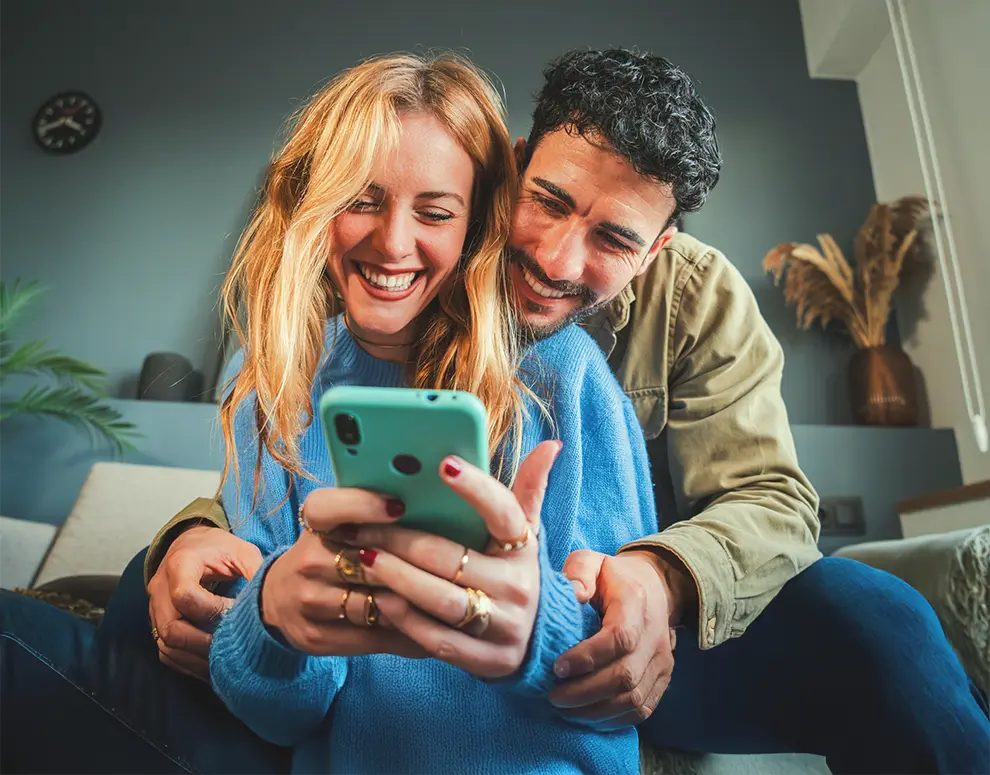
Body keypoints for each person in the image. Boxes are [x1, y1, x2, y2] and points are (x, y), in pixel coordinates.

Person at [3, 47, 988, 775]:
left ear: (658, 248)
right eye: (546, 202)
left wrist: (655, 578)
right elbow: (285, 482)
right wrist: (202, 549)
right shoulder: (345, 319)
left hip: (646, 629)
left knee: (878, 618)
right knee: (140, 596)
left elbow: (772, 499)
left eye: (613, 238)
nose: (557, 259)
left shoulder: (656, 326)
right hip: (381, 672)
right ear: (509, 168)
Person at [1, 51, 659, 775]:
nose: (393, 243)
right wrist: (273, 620)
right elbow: (284, 715)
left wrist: (535, 627)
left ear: (476, 225)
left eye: (436, 212)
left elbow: (628, 679)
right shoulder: (274, 382)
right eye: (362, 200)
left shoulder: (563, 375)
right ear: (313, 204)